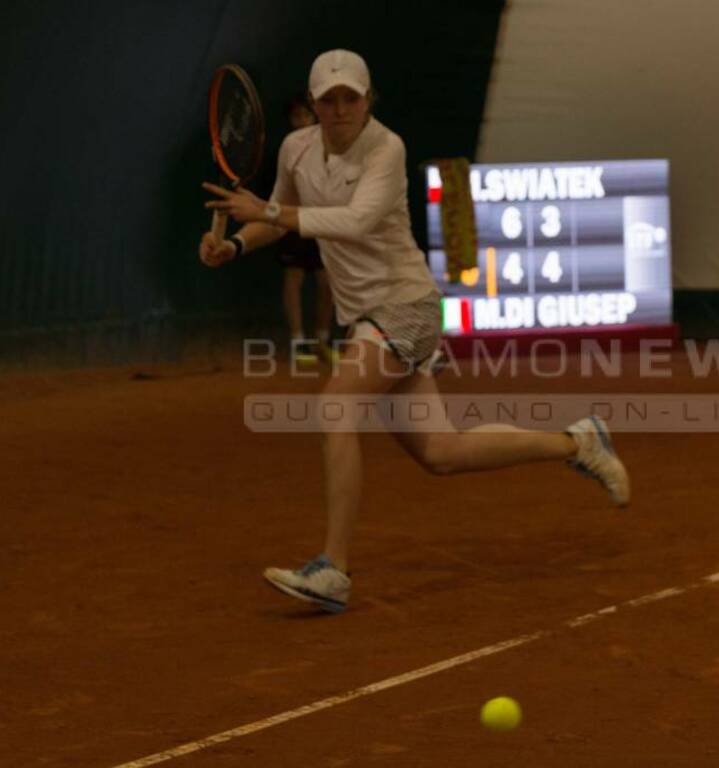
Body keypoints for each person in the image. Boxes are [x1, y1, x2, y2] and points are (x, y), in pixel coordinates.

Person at [199, 49, 630, 614]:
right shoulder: (295, 149)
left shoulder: (387, 147)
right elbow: (279, 215)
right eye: (328, 99)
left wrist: (270, 213)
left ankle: (334, 569)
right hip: (368, 318)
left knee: (335, 408)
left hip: (407, 307)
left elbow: (352, 220)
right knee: (442, 452)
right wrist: (232, 243)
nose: (340, 109)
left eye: (350, 97)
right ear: (312, 105)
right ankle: (578, 441)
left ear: (368, 99)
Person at [276, 96, 337, 367]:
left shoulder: (332, 149)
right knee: (294, 277)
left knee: (327, 283)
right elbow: (276, 202)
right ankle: (298, 341)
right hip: (292, 225)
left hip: (323, 225)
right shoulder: (287, 151)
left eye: (306, 116)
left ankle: (323, 340)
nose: (302, 121)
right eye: (296, 117)